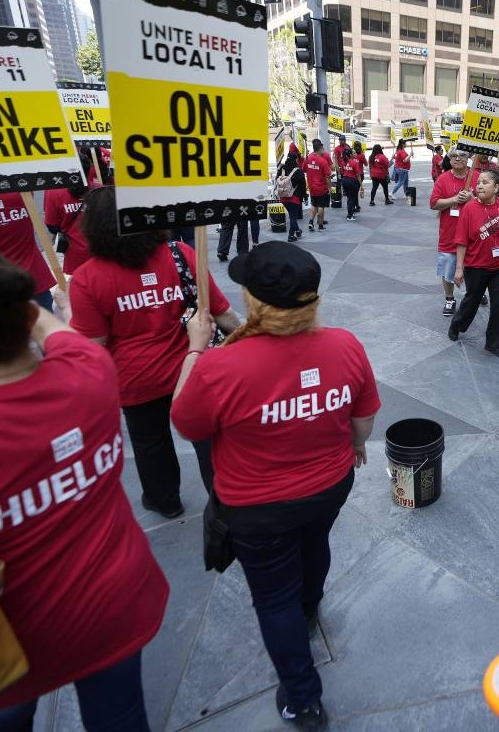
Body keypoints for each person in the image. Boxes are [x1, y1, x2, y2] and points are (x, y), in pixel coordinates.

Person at [0, 238, 168, 731]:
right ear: (22, 312)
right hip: (116, 605)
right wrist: (31, 306)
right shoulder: (90, 371)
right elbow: (59, 331)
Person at [170, 242, 379, 732]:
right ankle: (309, 609)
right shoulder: (345, 345)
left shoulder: (221, 365)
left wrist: (195, 349)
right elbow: (365, 420)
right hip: (330, 484)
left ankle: (304, 698)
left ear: (255, 303)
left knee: (273, 597)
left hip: (257, 507)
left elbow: (185, 422)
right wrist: (352, 443)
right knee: (315, 544)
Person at [70, 187, 241, 518]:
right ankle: (225, 502)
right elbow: (223, 314)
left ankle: (165, 500)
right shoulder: (180, 254)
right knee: (207, 439)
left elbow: (92, 348)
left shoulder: (86, 279)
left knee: (150, 444)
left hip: (135, 381)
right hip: (192, 370)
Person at [448, 169, 499, 356]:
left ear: (496, 187)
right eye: (478, 183)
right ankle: (457, 325)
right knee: (472, 301)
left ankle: (493, 343)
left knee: (498, 304)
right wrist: (459, 269)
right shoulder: (469, 208)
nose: (479, 186)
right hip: (476, 267)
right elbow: (461, 241)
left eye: (485, 183)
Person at [430, 147, 477, 316]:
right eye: (454, 156)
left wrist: (473, 199)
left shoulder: (477, 177)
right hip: (449, 232)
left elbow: (490, 200)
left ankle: (477, 293)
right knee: (448, 267)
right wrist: (455, 200)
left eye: (462, 155)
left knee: (475, 267)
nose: (458, 158)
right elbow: (434, 203)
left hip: (474, 233)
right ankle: (449, 298)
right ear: (449, 159)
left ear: (468, 158)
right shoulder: (442, 179)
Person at [44, 182, 91, 278]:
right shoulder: (98, 188)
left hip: (74, 250)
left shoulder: (53, 192)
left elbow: (52, 225)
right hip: (101, 249)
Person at [276, 152, 307, 241]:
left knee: (291, 215)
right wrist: (305, 197)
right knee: (293, 217)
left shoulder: (281, 169)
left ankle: (297, 230)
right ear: (295, 159)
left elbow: (277, 180)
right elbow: (303, 186)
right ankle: (291, 236)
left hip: (283, 197)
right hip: (294, 198)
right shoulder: (298, 171)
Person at [304, 139, 332, 233]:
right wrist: (330, 188)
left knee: (313, 205)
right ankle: (320, 225)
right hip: (321, 188)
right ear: (320, 148)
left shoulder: (308, 158)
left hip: (312, 187)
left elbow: (304, 169)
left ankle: (311, 222)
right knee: (321, 207)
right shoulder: (323, 161)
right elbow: (328, 176)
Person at [339, 147, 363, 221]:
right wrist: (361, 185)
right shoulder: (354, 163)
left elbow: (341, 171)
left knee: (349, 198)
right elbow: (358, 175)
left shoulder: (343, 162)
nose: (354, 154)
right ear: (350, 155)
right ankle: (350, 215)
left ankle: (351, 213)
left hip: (345, 181)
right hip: (352, 181)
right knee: (352, 198)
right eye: (352, 153)